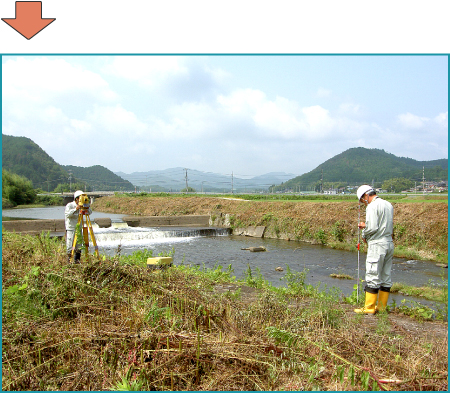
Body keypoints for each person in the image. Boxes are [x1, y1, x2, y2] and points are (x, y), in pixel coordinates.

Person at [354, 185, 394, 314]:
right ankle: (381, 307)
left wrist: (364, 234)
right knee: (385, 275)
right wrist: (367, 225)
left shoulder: (372, 206)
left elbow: (372, 228)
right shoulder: (388, 205)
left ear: (366, 195)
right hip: (389, 242)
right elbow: (382, 224)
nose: (363, 203)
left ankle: (369, 308)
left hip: (377, 244)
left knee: (372, 274)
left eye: (362, 200)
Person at [65, 190, 92, 263]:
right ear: (76, 199)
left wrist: (86, 206)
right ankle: (69, 262)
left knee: (79, 246)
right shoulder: (70, 205)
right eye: (80, 198)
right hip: (71, 228)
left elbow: (90, 212)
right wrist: (76, 209)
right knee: (70, 247)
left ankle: (77, 262)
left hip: (79, 228)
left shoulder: (83, 206)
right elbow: (67, 215)